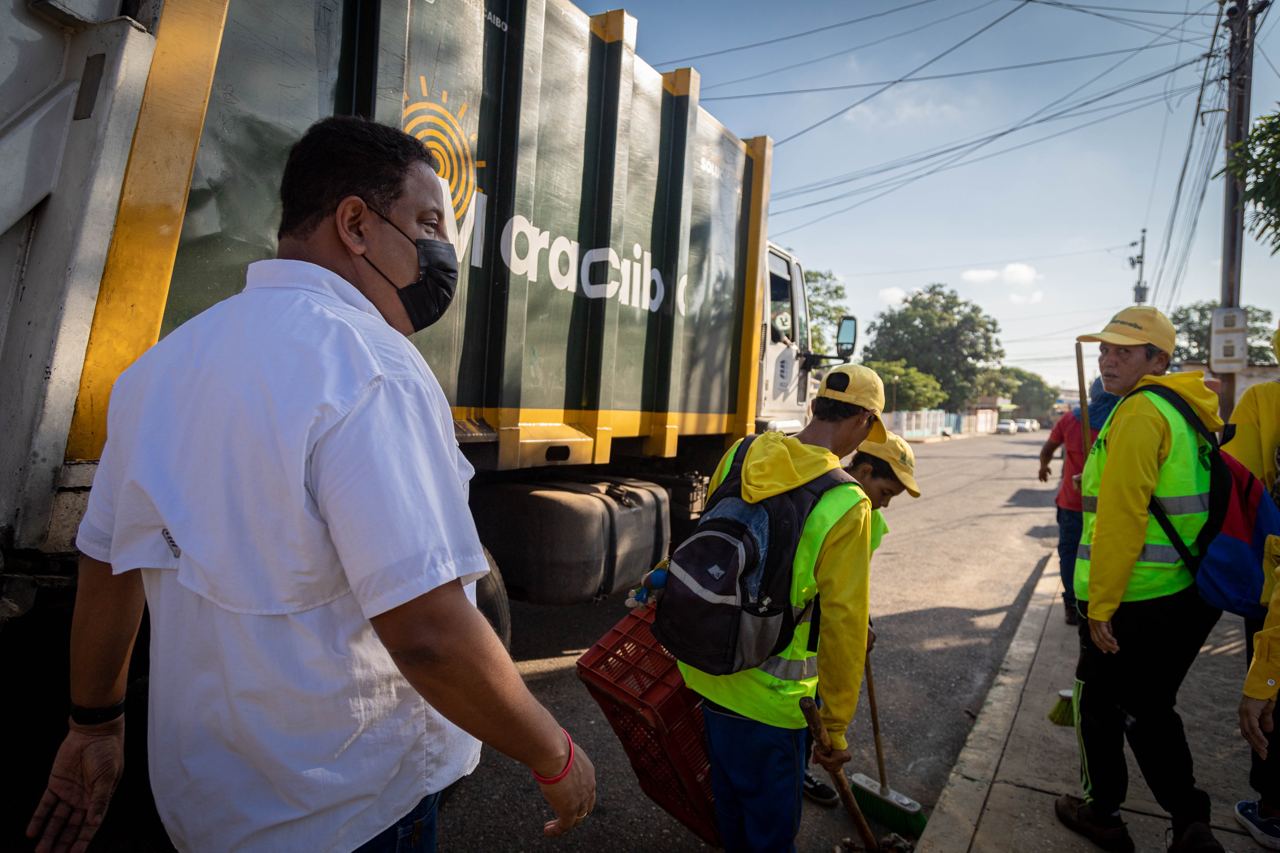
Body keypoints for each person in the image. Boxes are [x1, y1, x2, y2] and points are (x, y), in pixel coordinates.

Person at [25, 116, 595, 853]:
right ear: (355, 224)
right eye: (428, 223)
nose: (444, 254)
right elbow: (427, 632)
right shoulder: (370, 366)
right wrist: (555, 753)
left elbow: (108, 560)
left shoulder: (158, 371)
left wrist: (94, 725)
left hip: (206, 815)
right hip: (353, 812)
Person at [677, 364, 886, 852]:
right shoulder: (846, 501)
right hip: (773, 702)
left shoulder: (743, 452)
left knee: (731, 812)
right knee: (771, 835)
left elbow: (708, 543)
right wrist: (835, 728)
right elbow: (844, 625)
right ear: (864, 421)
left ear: (814, 406)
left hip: (707, 669)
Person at [1054, 306, 1224, 853]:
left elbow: (1123, 519)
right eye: (1105, 350)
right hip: (1179, 592)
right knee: (1148, 709)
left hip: (1133, 597)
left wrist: (1100, 605)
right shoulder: (1184, 408)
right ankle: (1190, 818)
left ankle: (1104, 812)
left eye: (1123, 351)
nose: (1107, 360)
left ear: (1158, 359)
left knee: (1100, 705)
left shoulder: (1139, 412)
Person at [798, 430, 922, 808]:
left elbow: (854, 582)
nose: (885, 503)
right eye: (885, 492)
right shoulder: (831, 500)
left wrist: (863, 620)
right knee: (802, 700)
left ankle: (796, 769)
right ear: (865, 471)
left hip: (826, 625)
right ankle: (796, 772)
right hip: (802, 627)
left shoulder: (869, 517)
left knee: (811, 696)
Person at [1229, 324, 1280, 849]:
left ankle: (1272, 810)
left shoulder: (1264, 399)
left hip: (1272, 581)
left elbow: (1240, 486)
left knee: (1268, 700)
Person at [1038, 378, 1120, 626]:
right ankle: (1100, 604)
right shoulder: (1123, 420)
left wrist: (1044, 466)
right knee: (1106, 555)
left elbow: (1048, 448)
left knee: (1070, 554)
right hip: (1111, 505)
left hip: (1073, 504)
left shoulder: (1071, 419)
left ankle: (1073, 604)